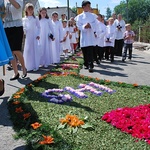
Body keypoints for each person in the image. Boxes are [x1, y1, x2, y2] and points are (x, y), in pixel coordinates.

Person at [3, 0, 27, 80]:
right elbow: (3, 13)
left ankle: (23, 68)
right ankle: (15, 72)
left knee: (16, 49)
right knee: (10, 51)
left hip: (17, 26)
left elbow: (17, 7)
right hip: (6, 26)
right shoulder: (3, 1)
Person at [75, 1, 97, 72]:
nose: (89, 7)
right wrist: (84, 26)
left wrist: (90, 25)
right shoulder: (79, 17)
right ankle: (86, 64)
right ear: (83, 7)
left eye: (89, 6)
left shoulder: (93, 16)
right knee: (84, 51)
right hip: (84, 36)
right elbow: (78, 25)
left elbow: (95, 24)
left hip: (90, 36)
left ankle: (91, 65)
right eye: (87, 6)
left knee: (90, 51)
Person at [23, 3, 40, 71]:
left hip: (34, 36)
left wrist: (38, 34)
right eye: (29, 9)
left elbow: (39, 27)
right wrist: (24, 30)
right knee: (28, 50)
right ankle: (28, 66)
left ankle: (35, 66)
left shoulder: (35, 18)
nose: (30, 10)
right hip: (28, 36)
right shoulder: (24, 19)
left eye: (31, 9)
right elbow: (24, 27)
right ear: (26, 10)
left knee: (34, 50)